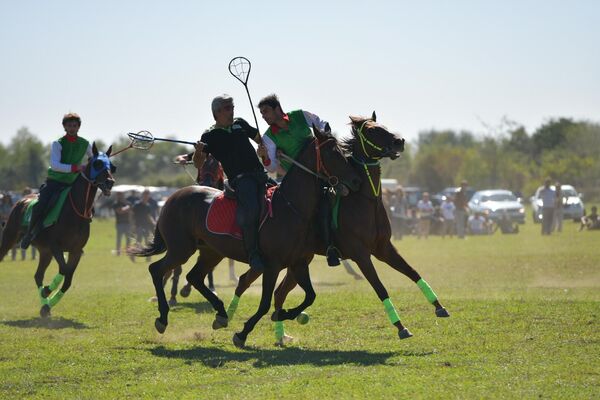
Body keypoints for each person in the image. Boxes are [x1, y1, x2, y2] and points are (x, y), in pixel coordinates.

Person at [255, 94, 340, 266]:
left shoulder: (300, 115)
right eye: (262, 114)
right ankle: (329, 247)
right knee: (321, 206)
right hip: (300, 182)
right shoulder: (268, 137)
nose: (263, 116)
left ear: (277, 109)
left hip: (323, 170)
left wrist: (323, 138)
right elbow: (270, 167)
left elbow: (322, 125)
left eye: (266, 112)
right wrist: (264, 157)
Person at [193, 94, 267, 271]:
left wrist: (263, 149)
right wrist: (198, 152)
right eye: (228, 108)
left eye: (232, 107)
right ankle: (253, 254)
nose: (232, 111)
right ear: (216, 112)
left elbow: (260, 139)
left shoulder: (240, 123)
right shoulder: (209, 135)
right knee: (252, 211)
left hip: (260, 174)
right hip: (240, 180)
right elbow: (198, 164)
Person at [21, 113, 93, 249]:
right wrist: (75, 167)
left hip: (73, 183)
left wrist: (100, 159)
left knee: (88, 202)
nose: (72, 128)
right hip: (54, 183)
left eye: (75, 125)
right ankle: (29, 234)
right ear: (64, 127)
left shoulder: (85, 144)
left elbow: (94, 158)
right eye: (69, 125)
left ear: (79, 127)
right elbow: (55, 165)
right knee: (41, 204)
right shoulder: (57, 144)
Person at [112, 192, 133, 256]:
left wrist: (125, 209)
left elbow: (130, 212)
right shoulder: (115, 204)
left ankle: (128, 251)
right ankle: (118, 252)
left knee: (128, 238)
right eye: (118, 195)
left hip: (127, 223)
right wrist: (127, 208)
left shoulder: (127, 203)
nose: (120, 196)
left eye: (120, 195)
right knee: (119, 239)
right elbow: (119, 211)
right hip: (119, 224)